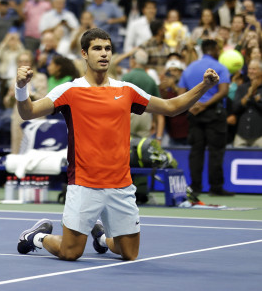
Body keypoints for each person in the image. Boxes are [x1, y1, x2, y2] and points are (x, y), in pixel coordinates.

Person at [15, 27, 221, 261]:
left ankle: (101, 237)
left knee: (129, 253)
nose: (104, 54)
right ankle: (36, 237)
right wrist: (21, 88)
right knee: (71, 252)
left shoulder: (126, 90)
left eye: (108, 49)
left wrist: (204, 86)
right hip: (84, 184)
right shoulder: (69, 91)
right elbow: (28, 112)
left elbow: (172, 108)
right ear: (84, 53)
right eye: (97, 49)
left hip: (120, 185)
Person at [177, 39, 232, 196]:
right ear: (214, 49)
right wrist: (205, 104)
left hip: (194, 114)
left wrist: (193, 106)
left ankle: (195, 187)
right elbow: (223, 91)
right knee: (216, 151)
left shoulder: (189, 68)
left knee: (196, 151)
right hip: (214, 113)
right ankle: (216, 188)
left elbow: (181, 94)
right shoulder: (220, 67)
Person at [122, 49, 163, 139]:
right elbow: (159, 108)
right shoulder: (151, 80)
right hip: (146, 116)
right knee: (143, 146)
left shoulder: (126, 77)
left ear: (133, 61)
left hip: (129, 116)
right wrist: (159, 136)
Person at [231, 59, 262, 148]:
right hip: (241, 135)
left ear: (261, 72)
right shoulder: (242, 88)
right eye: (249, 69)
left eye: (254, 69)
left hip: (259, 136)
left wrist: (257, 98)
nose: (251, 71)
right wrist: (248, 95)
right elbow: (235, 108)